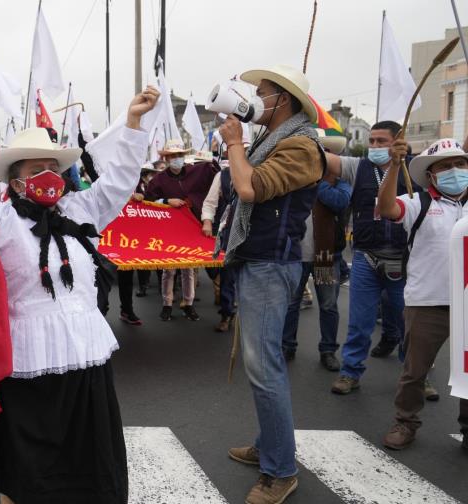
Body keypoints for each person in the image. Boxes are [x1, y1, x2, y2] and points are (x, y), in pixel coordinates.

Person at [0, 87, 158, 504]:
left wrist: (132, 126)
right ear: (15, 178)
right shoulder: (0, 219)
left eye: (53, 168)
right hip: (26, 363)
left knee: (87, 461)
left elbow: (120, 182)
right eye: (37, 168)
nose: (49, 176)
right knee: (30, 470)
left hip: (85, 356)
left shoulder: (79, 210)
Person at [219, 65, 324, 504]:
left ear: (284, 99)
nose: (254, 98)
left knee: (265, 369)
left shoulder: (300, 146)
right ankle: (269, 447)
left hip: (269, 263)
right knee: (263, 365)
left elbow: (248, 188)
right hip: (258, 261)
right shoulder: (274, 140)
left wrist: (235, 143)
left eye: (262, 93)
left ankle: (280, 471)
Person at [375, 138, 468, 451]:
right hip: (428, 304)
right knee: (415, 372)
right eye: (445, 166)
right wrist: (391, 168)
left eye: (461, 164)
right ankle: (405, 422)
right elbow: (387, 208)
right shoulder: (419, 203)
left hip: (466, 305)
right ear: (431, 175)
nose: (455, 171)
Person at [324, 121, 417, 395]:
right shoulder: (358, 167)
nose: (374, 146)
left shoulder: (416, 170)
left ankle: (416, 376)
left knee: (409, 322)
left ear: (398, 141)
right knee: (359, 321)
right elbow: (321, 158)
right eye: (372, 141)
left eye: (381, 141)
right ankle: (350, 372)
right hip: (366, 257)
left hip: (403, 259)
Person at [280, 131, 352, 371]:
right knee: (291, 303)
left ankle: (328, 350)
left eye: (323, 151)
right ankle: (286, 346)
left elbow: (340, 202)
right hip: (296, 255)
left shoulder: (338, 181)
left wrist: (316, 181)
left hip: (324, 256)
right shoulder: (295, 178)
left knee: (329, 305)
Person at [145, 139, 218, 322]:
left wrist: (211, 157)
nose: (176, 159)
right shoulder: (158, 180)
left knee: (188, 268)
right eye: (172, 156)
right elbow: (148, 202)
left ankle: (188, 303)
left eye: (179, 155)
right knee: (169, 269)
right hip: (169, 229)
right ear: (166, 158)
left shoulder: (196, 172)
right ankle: (167, 304)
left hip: (191, 226)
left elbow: (216, 172)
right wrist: (166, 201)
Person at [116, 163, 161, 325]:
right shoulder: (113, 183)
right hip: (113, 239)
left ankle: (127, 310)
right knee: (104, 281)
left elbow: (153, 203)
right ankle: (98, 314)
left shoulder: (142, 186)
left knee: (127, 277)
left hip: (134, 239)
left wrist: (143, 199)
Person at [201, 157, 237, 332]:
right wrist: (207, 221)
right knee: (213, 267)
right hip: (224, 229)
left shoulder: (257, 171)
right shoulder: (222, 176)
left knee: (229, 274)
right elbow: (210, 202)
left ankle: (227, 312)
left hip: (246, 231)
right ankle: (226, 298)